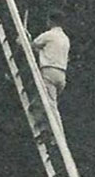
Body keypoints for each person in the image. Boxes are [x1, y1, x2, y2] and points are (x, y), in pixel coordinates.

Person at [29, 10, 71, 142]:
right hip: (61, 74)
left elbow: (32, 45)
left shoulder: (49, 35)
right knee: (36, 104)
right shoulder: (65, 39)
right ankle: (45, 131)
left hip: (49, 73)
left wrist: (23, 39)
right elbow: (43, 50)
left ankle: (57, 135)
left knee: (51, 106)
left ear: (51, 21)